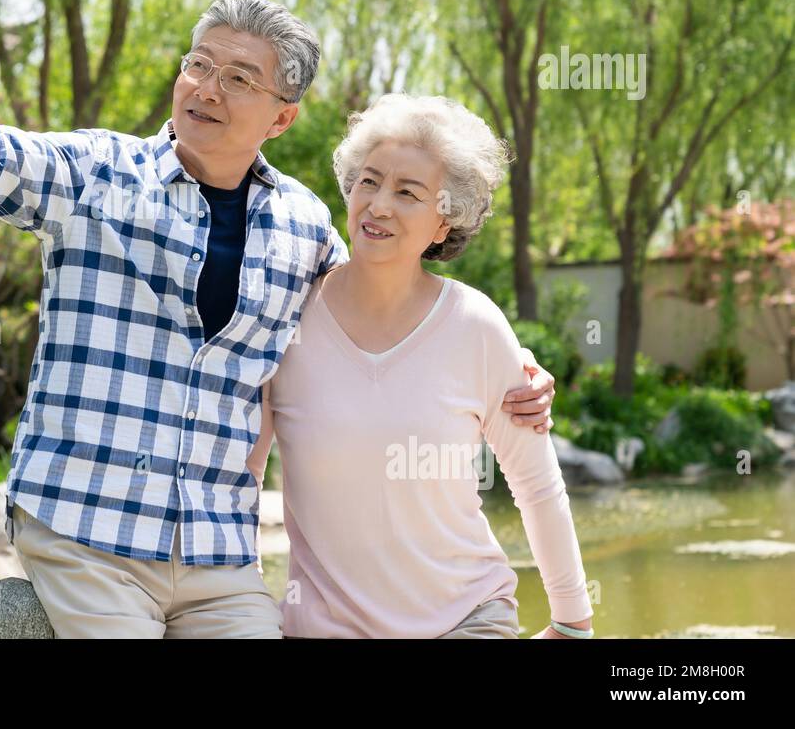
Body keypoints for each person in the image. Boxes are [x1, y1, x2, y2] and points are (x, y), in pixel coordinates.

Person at [0, 0, 558, 637]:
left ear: (282, 117)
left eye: (238, 78)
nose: (207, 88)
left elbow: (380, 304)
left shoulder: (303, 225)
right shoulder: (95, 176)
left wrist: (506, 362)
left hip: (215, 555)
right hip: (89, 529)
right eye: (198, 65)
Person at [247, 93, 594, 639]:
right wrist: (243, 611)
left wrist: (572, 622)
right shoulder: (285, 318)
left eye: (407, 192)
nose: (379, 204)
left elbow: (535, 483)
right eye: (369, 181)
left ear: (443, 223)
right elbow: (241, 482)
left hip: (466, 620)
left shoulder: (475, 326)